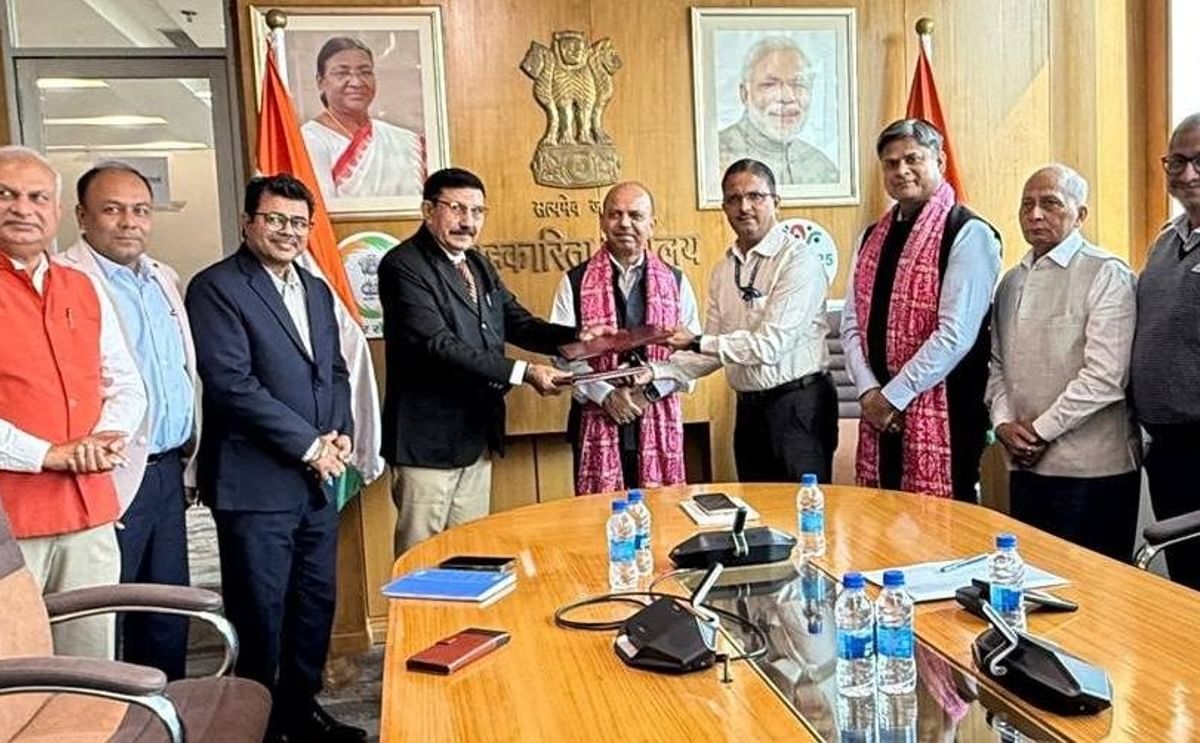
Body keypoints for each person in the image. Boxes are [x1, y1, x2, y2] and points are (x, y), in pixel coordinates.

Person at [185, 174, 364, 742]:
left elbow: (333, 371)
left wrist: (337, 434)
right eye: (276, 220)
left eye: (298, 223)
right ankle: (257, 725)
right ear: (249, 222)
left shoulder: (313, 289)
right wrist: (309, 445)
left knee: (314, 607)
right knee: (261, 614)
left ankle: (299, 714)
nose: (288, 232)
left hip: (316, 481)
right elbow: (231, 384)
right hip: (254, 485)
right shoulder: (217, 287)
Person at [379, 167, 604, 554]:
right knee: (422, 562)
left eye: (478, 211)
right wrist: (525, 372)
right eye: (457, 208)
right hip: (427, 443)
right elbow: (439, 345)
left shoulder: (477, 264)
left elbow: (516, 322)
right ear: (428, 210)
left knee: (469, 555)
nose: (468, 222)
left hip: (475, 436)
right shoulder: (403, 266)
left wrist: (575, 337)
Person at [0, 146, 146, 659]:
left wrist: (105, 440)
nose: (23, 208)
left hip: (89, 514)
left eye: (37, 197)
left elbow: (127, 382)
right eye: (6, 195)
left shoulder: (80, 285)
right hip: (10, 523)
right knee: (15, 674)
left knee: (91, 667)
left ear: (56, 211)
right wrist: (48, 454)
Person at [56, 162, 198, 679]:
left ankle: (166, 720)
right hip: (106, 474)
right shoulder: (67, 281)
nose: (128, 222)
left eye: (140, 210)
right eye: (112, 210)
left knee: (167, 611)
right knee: (105, 615)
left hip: (166, 472)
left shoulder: (164, 279)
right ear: (82, 216)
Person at [841, 119, 1001, 501]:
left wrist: (892, 397)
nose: (901, 171)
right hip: (879, 411)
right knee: (883, 521)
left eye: (913, 158)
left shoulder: (968, 232)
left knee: (944, 531)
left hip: (944, 411)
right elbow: (851, 325)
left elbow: (955, 334)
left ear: (940, 161)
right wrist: (868, 393)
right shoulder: (871, 236)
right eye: (891, 163)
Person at [986, 164, 1140, 560]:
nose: (1035, 215)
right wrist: (1003, 423)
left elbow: (1105, 377)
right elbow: (997, 365)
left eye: (1050, 204)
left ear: (1081, 214)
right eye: (1027, 205)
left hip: (1093, 471)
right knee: (1036, 592)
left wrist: (1037, 432)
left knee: (1095, 601)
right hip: (1025, 467)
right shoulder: (1011, 282)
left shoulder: (1105, 273)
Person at [657, 159, 838, 483]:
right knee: (759, 516)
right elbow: (709, 352)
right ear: (724, 207)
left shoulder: (799, 261)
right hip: (749, 411)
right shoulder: (723, 271)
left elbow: (770, 346)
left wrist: (696, 340)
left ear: (775, 201)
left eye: (755, 196)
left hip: (799, 408)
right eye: (733, 198)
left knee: (803, 515)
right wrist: (652, 374)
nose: (744, 207)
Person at [549, 182, 701, 495]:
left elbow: (692, 355)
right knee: (598, 524)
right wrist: (605, 394)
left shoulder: (676, 281)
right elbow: (561, 355)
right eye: (615, 214)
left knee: (660, 520)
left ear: (652, 224)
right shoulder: (574, 281)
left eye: (635, 215)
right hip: (594, 417)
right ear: (602, 221)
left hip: (658, 416)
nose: (625, 223)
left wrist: (652, 392)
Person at [1132, 112, 1200, 587]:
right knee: (1184, 580)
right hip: (1168, 445)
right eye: (1176, 161)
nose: (1187, 174)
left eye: (1198, 161)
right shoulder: (1164, 239)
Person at [301, 36, 424, 202]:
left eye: (365, 72)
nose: (356, 82)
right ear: (320, 82)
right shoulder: (310, 139)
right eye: (342, 73)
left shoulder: (403, 140)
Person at [718, 36, 839, 186]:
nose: (787, 97)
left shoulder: (822, 168)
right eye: (770, 85)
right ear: (745, 94)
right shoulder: (717, 156)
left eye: (799, 84)